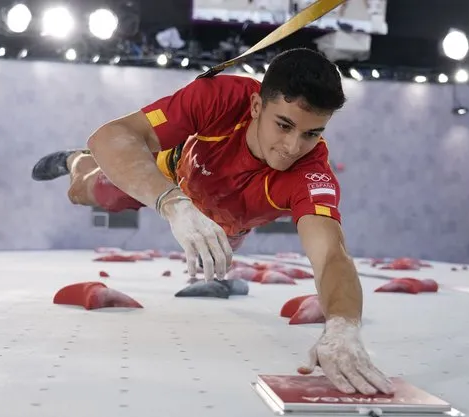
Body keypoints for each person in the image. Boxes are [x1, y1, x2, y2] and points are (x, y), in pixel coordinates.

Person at [31, 48, 394, 396]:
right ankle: (75, 161)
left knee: (224, 250)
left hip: (230, 222)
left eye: (311, 134)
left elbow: (332, 255)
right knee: (88, 192)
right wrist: (171, 202)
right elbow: (111, 136)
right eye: (283, 125)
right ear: (255, 106)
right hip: (176, 174)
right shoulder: (220, 98)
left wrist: (343, 327)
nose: (292, 146)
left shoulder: (312, 174)